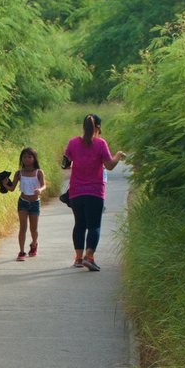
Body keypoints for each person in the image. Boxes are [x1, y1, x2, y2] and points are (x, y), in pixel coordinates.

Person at [62, 114, 127, 271]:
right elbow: (110, 165)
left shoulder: (73, 143)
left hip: (76, 192)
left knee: (79, 224)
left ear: (83, 127)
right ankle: (89, 257)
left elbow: (65, 164)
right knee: (94, 226)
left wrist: (78, 164)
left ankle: (78, 258)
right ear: (98, 128)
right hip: (95, 192)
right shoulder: (100, 144)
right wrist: (118, 155)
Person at [5, 147, 46, 262]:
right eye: (24, 157)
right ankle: (22, 251)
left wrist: (40, 190)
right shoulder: (19, 173)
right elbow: (12, 188)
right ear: (21, 159)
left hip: (35, 203)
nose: (27, 159)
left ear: (34, 158)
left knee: (34, 229)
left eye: (29, 157)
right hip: (23, 202)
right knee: (23, 227)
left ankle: (34, 244)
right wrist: (5, 184)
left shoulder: (39, 172)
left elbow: (44, 185)